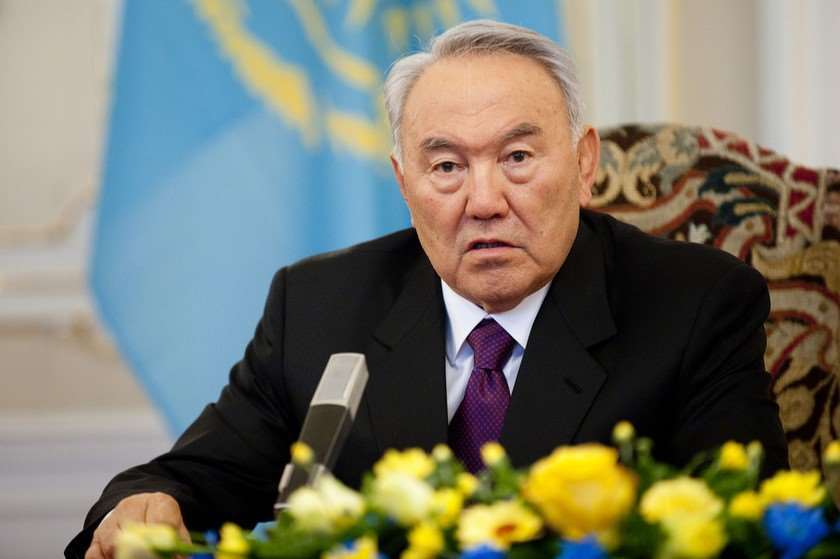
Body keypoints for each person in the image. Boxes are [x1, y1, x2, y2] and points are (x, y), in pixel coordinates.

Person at [68, 19, 788, 559]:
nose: (484, 201)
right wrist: (144, 507)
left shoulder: (694, 305)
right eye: (446, 167)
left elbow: (742, 531)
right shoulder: (319, 305)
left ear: (583, 163)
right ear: (403, 182)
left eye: (517, 157)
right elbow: (189, 479)